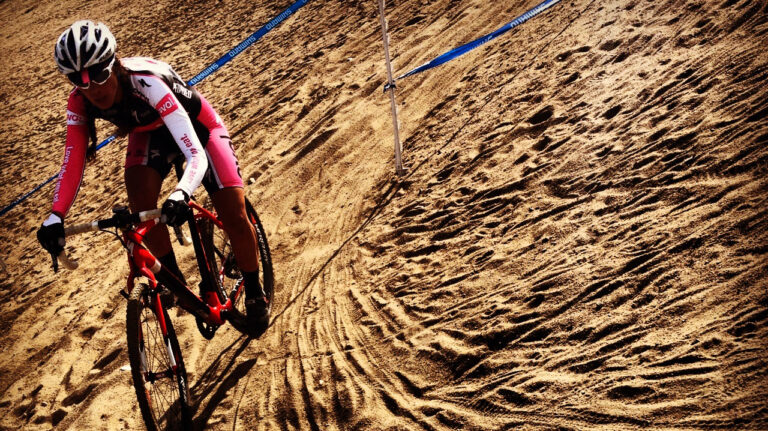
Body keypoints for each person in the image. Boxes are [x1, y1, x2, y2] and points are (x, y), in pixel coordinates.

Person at [36, 20, 269, 331]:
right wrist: (56, 214)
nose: (93, 88)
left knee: (234, 214)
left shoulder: (146, 82)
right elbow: (73, 161)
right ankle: (175, 282)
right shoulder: (79, 101)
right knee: (141, 207)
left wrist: (182, 191)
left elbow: (195, 153)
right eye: (79, 80)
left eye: (100, 74)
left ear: (114, 64)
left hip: (198, 130)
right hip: (149, 134)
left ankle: (255, 290)